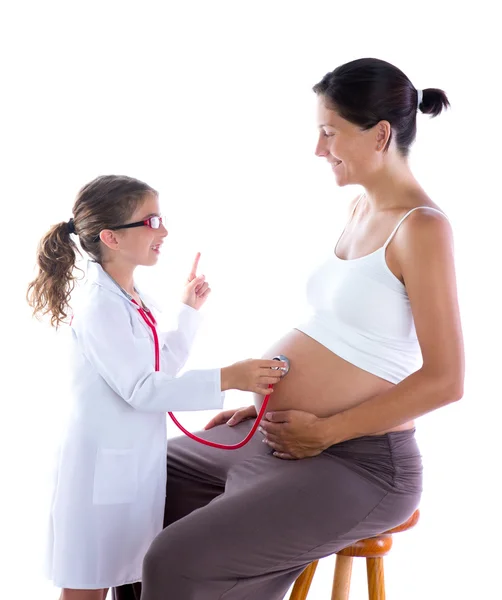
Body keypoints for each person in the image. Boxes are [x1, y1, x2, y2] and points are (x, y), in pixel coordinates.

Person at [115, 57, 465, 600]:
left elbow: (446, 380)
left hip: (360, 462)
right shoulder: (358, 208)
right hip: (280, 437)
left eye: (330, 133)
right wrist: (265, 402)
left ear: (379, 134)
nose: (319, 149)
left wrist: (328, 429)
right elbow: (340, 330)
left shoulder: (421, 228)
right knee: (135, 484)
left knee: (175, 559)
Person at [27, 174, 286, 600]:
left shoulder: (129, 295)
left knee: (113, 574)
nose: (163, 231)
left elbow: (156, 371)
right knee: (86, 588)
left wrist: (187, 311)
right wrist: (229, 377)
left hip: (126, 466)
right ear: (111, 237)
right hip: (98, 471)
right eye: (150, 222)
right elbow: (143, 390)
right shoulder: (99, 306)